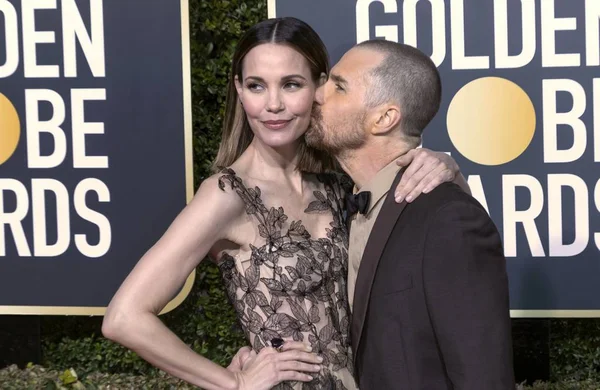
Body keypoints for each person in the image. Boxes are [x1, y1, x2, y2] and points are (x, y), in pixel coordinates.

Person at [102, 18, 467, 390]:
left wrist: (447, 167)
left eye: (291, 85)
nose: (273, 105)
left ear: (319, 89)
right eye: (256, 86)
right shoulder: (227, 194)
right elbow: (124, 317)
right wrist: (235, 384)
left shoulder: (339, 185)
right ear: (239, 91)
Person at [306, 39, 515, 389]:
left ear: (385, 118)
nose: (317, 94)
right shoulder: (335, 201)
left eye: (339, 86)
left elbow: (484, 377)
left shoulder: (449, 220)